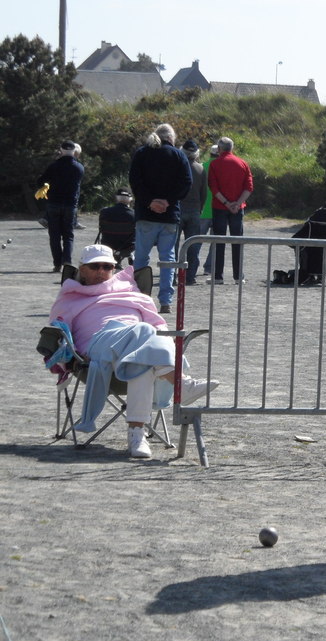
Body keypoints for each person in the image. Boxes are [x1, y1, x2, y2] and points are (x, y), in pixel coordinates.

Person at [48, 244, 218, 458]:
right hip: (96, 346)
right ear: (82, 269)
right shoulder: (71, 297)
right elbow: (57, 330)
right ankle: (180, 383)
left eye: (107, 267)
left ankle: (137, 435)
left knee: (142, 358)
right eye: (94, 266)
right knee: (144, 332)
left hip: (134, 351)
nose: (101, 271)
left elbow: (159, 326)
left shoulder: (131, 291)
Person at [129, 123, 193, 314]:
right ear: (172, 138)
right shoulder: (179, 155)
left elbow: (135, 181)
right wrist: (167, 200)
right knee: (168, 259)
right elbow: (186, 183)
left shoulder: (141, 153)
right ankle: (166, 301)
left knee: (141, 257)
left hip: (145, 214)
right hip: (169, 215)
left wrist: (150, 201)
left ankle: (139, 297)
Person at [207, 136, 254, 285]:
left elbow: (214, 188)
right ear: (232, 148)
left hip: (220, 207)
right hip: (238, 208)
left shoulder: (215, 164)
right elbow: (249, 187)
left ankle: (218, 276)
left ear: (219, 149)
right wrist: (237, 204)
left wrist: (227, 203)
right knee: (237, 241)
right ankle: (238, 276)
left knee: (219, 241)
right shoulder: (243, 163)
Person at [38, 140, 85, 272]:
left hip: (53, 203)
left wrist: (47, 185)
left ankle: (57, 264)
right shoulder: (79, 167)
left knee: (54, 235)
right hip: (70, 204)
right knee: (68, 235)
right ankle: (67, 261)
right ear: (74, 151)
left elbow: (40, 181)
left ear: (61, 150)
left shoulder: (54, 166)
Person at [178, 140, 205, 285]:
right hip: (194, 210)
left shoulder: (177, 167)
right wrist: (199, 208)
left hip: (178, 209)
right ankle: (190, 277)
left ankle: (173, 275)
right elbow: (204, 193)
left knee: (173, 246)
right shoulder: (200, 169)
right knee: (193, 245)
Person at [96, 187, 136, 264]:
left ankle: (119, 256)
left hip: (108, 245)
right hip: (128, 247)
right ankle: (129, 255)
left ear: (116, 198)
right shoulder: (134, 214)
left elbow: (101, 228)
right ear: (130, 199)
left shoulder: (104, 212)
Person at [199, 144, 219, 277]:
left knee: (195, 241)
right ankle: (209, 267)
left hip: (202, 210)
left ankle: (189, 265)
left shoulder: (202, 167)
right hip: (218, 209)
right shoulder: (222, 167)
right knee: (215, 243)